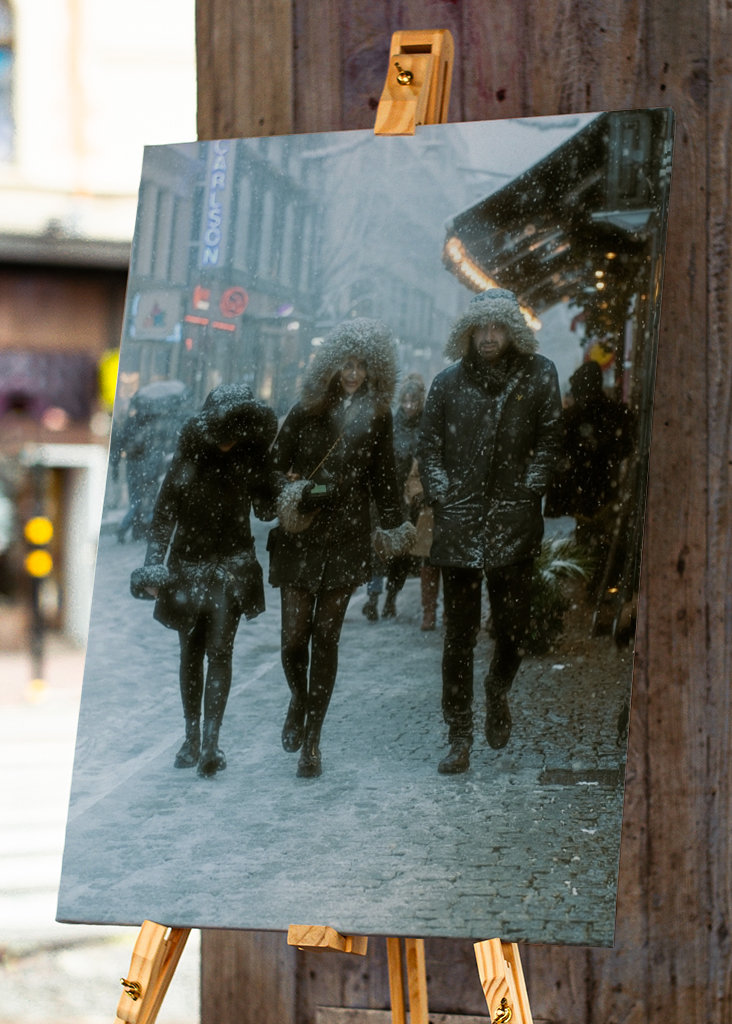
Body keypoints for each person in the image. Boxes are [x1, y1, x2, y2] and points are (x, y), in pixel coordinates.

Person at [417, 289, 562, 773]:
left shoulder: (539, 375)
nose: (489, 337)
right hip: (459, 524)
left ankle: (498, 687)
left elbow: (550, 438)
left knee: (513, 628)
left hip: (513, 521)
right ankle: (459, 733)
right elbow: (429, 447)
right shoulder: (447, 383)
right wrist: (442, 492)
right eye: (481, 329)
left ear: (512, 331)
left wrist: (529, 489)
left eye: (497, 328)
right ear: (468, 332)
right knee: (457, 637)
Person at [268, 317, 414, 778]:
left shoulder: (378, 415)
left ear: (374, 371)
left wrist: (395, 526)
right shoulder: (305, 408)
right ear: (331, 366)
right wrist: (293, 491)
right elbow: (274, 466)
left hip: (348, 534)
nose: (353, 374)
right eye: (346, 364)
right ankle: (298, 697)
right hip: (302, 534)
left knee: (326, 638)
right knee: (294, 638)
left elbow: (384, 478)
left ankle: (313, 739)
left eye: (362, 366)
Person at [130, 383, 278, 778]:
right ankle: (192, 736)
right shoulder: (188, 459)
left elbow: (265, 508)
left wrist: (284, 486)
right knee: (190, 653)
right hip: (186, 567)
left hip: (230, 568)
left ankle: (210, 742)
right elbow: (163, 518)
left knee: (220, 652)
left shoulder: (250, 458)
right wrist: (153, 568)